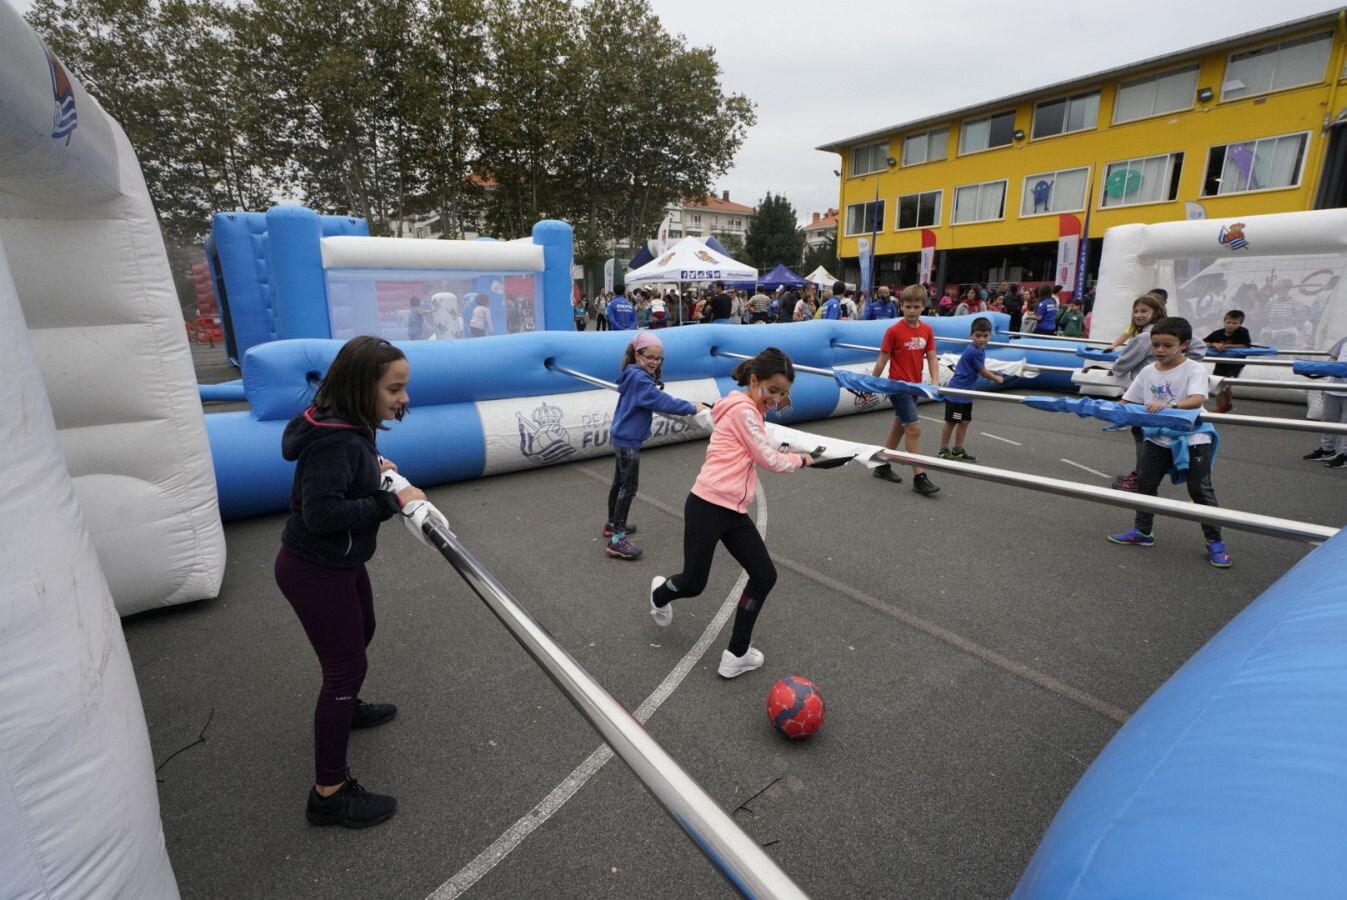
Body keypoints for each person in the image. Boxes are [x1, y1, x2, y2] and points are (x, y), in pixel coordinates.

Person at [275, 335, 428, 828]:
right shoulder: (338, 437)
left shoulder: (345, 421)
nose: (403, 398)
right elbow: (322, 513)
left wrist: (375, 470)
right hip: (315, 566)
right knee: (343, 670)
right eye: (395, 389)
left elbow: (345, 474)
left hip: (335, 562)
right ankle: (329, 793)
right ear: (363, 387)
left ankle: (349, 705)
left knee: (362, 630)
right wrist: (387, 501)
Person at [648, 347, 812, 677]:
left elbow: (762, 440)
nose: (777, 399)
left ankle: (736, 654)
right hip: (707, 506)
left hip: (733, 511)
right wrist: (804, 459)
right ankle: (660, 593)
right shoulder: (743, 412)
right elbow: (771, 459)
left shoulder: (748, 408)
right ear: (754, 380)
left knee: (764, 575)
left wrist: (789, 432)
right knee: (694, 583)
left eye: (784, 394)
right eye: (773, 391)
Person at [1106, 317, 1231, 568]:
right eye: (1155, 345)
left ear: (1183, 344)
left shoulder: (1194, 369)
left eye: (1167, 345)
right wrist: (1103, 410)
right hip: (1156, 436)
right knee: (1145, 484)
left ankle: (1215, 541)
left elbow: (1196, 399)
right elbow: (1129, 401)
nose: (1160, 351)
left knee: (1199, 489)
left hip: (1192, 436)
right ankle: (1143, 532)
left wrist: (1170, 405)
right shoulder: (1148, 371)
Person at [605, 333, 704, 560]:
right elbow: (661, 401)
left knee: (619, 483)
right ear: (637, 354)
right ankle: (617, 540)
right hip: (628, 439)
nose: (654, 362)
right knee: (627, 487)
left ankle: (612, 524)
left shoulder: (633, 373)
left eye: (658, 359)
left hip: (622, 435)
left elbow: (649, 395)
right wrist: (692, 407)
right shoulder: (640, 379)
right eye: (649, 357)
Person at [870, 285, 940, 496]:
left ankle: (881, 465)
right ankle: (920, 477)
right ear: (900, 306)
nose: (911, 310)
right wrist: (871, 382)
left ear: (923, 307)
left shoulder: (927, 329)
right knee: (914, 428)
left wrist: (935, 380)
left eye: (916, 306)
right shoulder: (893, 331)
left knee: (900, 426)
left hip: (916, 386)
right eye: (907, 306)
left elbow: (932, 356)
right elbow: (883, 359)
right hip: (898, 386)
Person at [938, 317, 1006, 461]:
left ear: (990, 335)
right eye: (978, 336)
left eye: (985, 336)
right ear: (971, 335)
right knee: (952, 422)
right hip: (957, 393)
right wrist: (997, 378)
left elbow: (981, 369)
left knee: (964, 422)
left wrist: (993, 374)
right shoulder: (973, 351)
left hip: (966, 394)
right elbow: (982, 371)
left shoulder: (980, 349)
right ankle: (944, 449)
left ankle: (958, 449)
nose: (982, 339)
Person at [1302, 332, 1347, 468]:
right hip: (1333, 387)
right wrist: (1324, 370)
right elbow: (1333, 358)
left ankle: (1345, 455)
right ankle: (1327, 449)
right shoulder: (1345, 339)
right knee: (1328, 420)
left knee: (1346, 424)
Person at [1203, 310, 1252, 413]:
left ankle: (1223, 407)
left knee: (1226, 385)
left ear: (1240, 324)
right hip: (1221, 363)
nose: (1230, 325)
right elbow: (1204, 342)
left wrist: (1227, 346)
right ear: (1224, 322)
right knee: (1217, 384)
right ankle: (1223, 406)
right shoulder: (1218, 333)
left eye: (1235, 323)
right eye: (1228, 322)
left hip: (1235, 364)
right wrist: (1214, 344)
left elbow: (1245, 345)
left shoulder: (1242, 332)